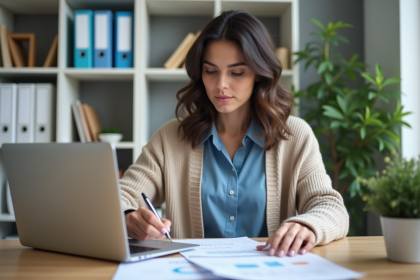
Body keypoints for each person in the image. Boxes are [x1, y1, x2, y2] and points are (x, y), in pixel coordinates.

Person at [120, 10, 349, 257]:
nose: (221, 85)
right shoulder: (170, 137)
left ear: (259, 74)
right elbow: (121, 196)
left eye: (237, 72)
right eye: (211, 71)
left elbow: (330, 207)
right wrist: (127, 216)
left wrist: (307, 225)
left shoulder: (295, 135)